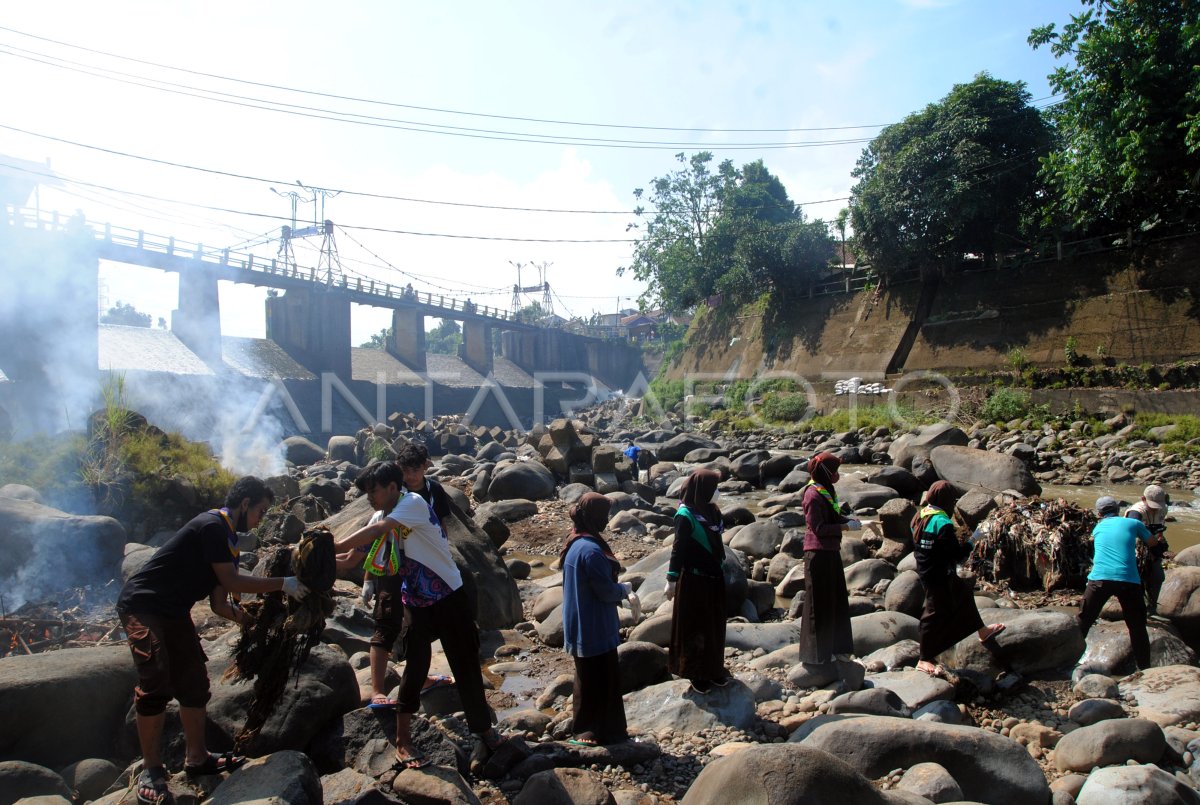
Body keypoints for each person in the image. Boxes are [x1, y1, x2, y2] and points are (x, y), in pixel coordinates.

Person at [116, 476, 309, 805]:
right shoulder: (212, 526)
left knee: (194, 681)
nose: (261, 519)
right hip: (143, 605)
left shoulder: (229, 541)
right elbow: (232, 580)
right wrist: (284, 583)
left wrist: (253, 623)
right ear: (244, 503)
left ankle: (198, 757)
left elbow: (220, 604)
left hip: (174, 611)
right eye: (260, 510)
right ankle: (151, 769)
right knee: (156, 677)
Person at [332, 461, 503, 771]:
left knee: (465, 664)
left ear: (393, 488)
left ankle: (484, 730)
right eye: (367, 492)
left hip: (450, 596)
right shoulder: (380, 515)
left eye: (374, 491)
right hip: (417, 602)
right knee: (415, 667)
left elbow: (379, 532)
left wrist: (338, 540)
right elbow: (350, 558)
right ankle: (403, 740)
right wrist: (318, 554)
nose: (369, 497)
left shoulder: (412, 502)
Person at [561, 492, 638, 745]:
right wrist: (624, 590)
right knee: (603, 678)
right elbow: (605, 591)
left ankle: (586, 728)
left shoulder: (575, 541)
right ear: (595, 518)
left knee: (586, 676)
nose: (607, 521)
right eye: (604, 517)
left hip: (579, 620)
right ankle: (599, 732)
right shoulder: (592, 551)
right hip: (594, 624)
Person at [911, 481, 1006, 677]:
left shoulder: (920, 515)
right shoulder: (943, 523)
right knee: (933, 612)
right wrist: (974, 539)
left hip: (926, 568)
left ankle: (982, 631)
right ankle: (923, 658)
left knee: (964, 593)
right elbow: (957, 555)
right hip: (938, 573)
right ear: (946, 501)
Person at [1078, 495, 1162, 670]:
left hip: (1099, 580)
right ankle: (1144, 669)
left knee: (1084, 621)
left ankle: (1070, 661)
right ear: (1118, 510)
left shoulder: (1098, 527)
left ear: (1099, 513)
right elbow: (1153, 543)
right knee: (1137, 627)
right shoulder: (1133, 523)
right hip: (1128, 580)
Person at [664, 468, 729, 692]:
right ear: (702, 489)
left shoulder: (711, 511)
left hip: (714, 578)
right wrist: (671, 579)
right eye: (714, 487)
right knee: (694, 627)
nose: (717, 492)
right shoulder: (685, 516)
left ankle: (714, 668)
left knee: (714, 625)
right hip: (694, 581)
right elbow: (677, 550)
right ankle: (695, 672)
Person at [798, 452, 858, 666]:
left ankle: (837, 648)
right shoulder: (812, 494)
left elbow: (832, 516)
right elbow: (819, 528)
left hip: (830, 552)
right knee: (818, 605)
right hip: (817, 554)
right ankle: (816, 655)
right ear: (826, 472)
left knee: (836, 601)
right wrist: (844, 527)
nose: (836, 475)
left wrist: (851, 520)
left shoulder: (826, 490)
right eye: (834, 471)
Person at [1125, 484, 1170, 617]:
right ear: (1143, 499)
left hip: (1154, 547)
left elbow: (1161, 527)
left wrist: (1160, 541)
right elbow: (1129, 534)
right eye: (1152, 504)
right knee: (1136, 579)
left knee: (1158, 577)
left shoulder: (1163, 509)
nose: (1156, 508)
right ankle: (1134, 609)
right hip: (1136, 550)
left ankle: (1151, 607)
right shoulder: (1135, 513)